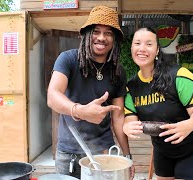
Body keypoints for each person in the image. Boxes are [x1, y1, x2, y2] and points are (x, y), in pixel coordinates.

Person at [47, 5, 134, 179]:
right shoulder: (68, 59)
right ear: (86, 34)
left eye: (108, 33)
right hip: (68, 153)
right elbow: (53, 96)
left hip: (103, 151)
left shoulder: (118, 71)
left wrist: (127, 156)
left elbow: (118, 117)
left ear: (114, 39)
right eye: (96, 31)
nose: (101, 38)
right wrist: (80, 111)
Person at [123, 27, 193, 180]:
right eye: (137, 43)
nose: (142, 48)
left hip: (192, 147)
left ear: (157, 50)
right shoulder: (131, 87)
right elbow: (130, 117)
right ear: (132, 48)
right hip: (162, 149)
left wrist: (188, 125)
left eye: (149, 44)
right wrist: (127, 126)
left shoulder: (180, 76)